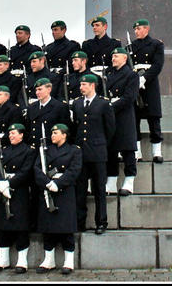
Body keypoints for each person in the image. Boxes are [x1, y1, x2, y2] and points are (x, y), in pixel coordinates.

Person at [33, 123, 81, 274]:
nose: (52, 135)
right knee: (48, 228)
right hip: (48, 190)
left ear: (64, 135)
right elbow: (37, 169)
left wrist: (59, 184)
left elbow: (74, 170)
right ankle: (49, 260)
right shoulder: (45, 150)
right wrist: (47, 183)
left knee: (66, 228)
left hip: (64, 192)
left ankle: (68, 261)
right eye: (51, 133)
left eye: (56, 133)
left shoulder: (74, 150)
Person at [71, 73, 115, 234]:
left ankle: (101, 222)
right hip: (81, 153)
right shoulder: (77, 104)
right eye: (81, 85)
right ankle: (79, 222)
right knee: (80, 190)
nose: (81, 87)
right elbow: (76, 126)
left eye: (84, 85)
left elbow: (110, 129)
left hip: (97, 153)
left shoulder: (103, 104)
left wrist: (101, 145)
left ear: (92, 85)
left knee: (99, 189)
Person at [0, 124, 35, 274]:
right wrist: (1, 183)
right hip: (3, 190)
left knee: (20, 225)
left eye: (14, 133)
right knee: (3, 225)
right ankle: (3, 259)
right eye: (9, 134)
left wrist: (10, 183)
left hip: (19, 191)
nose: (11, 136)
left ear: (22, 135)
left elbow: (26, 171)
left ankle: (22, 260)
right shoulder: (3, 151)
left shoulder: (28, 151)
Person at [129, 18, 166, 162]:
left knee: (153, 117)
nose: (136, 32)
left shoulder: (156, 45)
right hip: (135, 84)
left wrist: (144, 78)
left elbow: (158, 65)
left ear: (146, 29)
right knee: (134, 118)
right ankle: (137, 152)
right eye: (135, 29)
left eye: (139, 29)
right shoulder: (130, 46)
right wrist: (135, 79)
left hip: (149, 84)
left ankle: (157, 151)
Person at [105, 47, 140, 196]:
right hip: (111, 116)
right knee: (111, 150)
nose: (113, 58)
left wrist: (112, 106)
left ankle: (129, 181)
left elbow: (129, 97)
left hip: (124, 115)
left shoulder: (131, 75)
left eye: (116, 56)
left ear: (125, 58)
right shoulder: (108, 74)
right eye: (112, 56)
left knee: (127, 149)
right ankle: (111, 181)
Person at [26, 78, 71, 147]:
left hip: (52, 148)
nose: (37, 92)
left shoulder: (60, 107)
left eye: (40, 89)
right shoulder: (31, 107)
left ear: (49, 89)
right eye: (36, 90)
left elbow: (65, 130)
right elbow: (29, 129)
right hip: (35, 147)